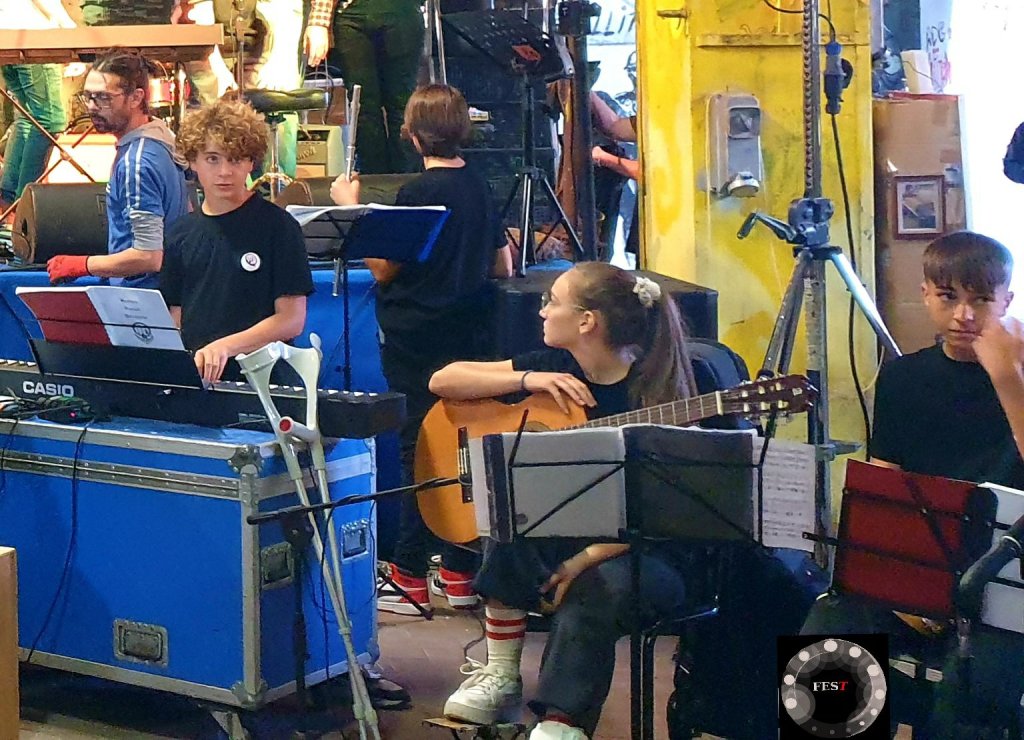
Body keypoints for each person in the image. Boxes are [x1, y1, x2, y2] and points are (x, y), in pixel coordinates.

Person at [433, 263, 696, 740]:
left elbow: (673, 510)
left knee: (594, 589)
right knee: (506, 521)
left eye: (552, 301)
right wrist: (527, 379)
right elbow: (443, 380)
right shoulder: (555, 366)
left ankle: (561, 722)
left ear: (586, 321)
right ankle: (501, 674)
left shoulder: (657, 392)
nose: (542, 311)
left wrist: (586, 558)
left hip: (648, 550)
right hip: (569, 531)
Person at [801, 231, 1024, 736]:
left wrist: (1007, 377)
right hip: (919, 576)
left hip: (1007, 587)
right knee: (824, 653)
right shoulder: (904, 378)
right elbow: (885, 491)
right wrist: (901, 589)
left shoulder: (1018, 375)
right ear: (925, 294)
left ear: (1007, 300)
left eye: (981, 300)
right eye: (948, 297)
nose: (964, 315)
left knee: (972, 690)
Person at [331, 83, 513, 614]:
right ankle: (458, 571)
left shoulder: (417, 193)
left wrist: (353, 211)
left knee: (419, 452)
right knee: (463, 451)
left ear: (411, 136)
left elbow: (385, 270)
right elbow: (503, 264)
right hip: (470, 336)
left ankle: (410, 572)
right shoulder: (479, 186)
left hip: (415, 341)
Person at [159, 97, 313, 384]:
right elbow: (175, 316)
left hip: (264, 379)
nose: (224, 172)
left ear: (251, 162)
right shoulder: (180, 232)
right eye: (212, 159)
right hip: (200, 379)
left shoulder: (278, 226)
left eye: (235, 159)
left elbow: (291, 320)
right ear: (192, 161)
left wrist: (225, 347)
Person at [46, 50, 190, 288]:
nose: (92, 107)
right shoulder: (161, 139)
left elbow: (149, 256)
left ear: (136, 98)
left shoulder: (137, 162)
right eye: (87, 96)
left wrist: (83, 264)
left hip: (143, 297)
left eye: (103, 98)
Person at [309, 0, 423, 173]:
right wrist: (319, 22)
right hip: (352, 14)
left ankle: (407, 180)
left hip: (402, 10)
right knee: (363, 108)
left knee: (403, 106)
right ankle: (372, 181)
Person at [0, 0, 75, 211]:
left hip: (8, 34)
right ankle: (25, 205)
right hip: (33, 34)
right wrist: (69, 28)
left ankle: (9, 203)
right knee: (49, 121)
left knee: (28, 118)